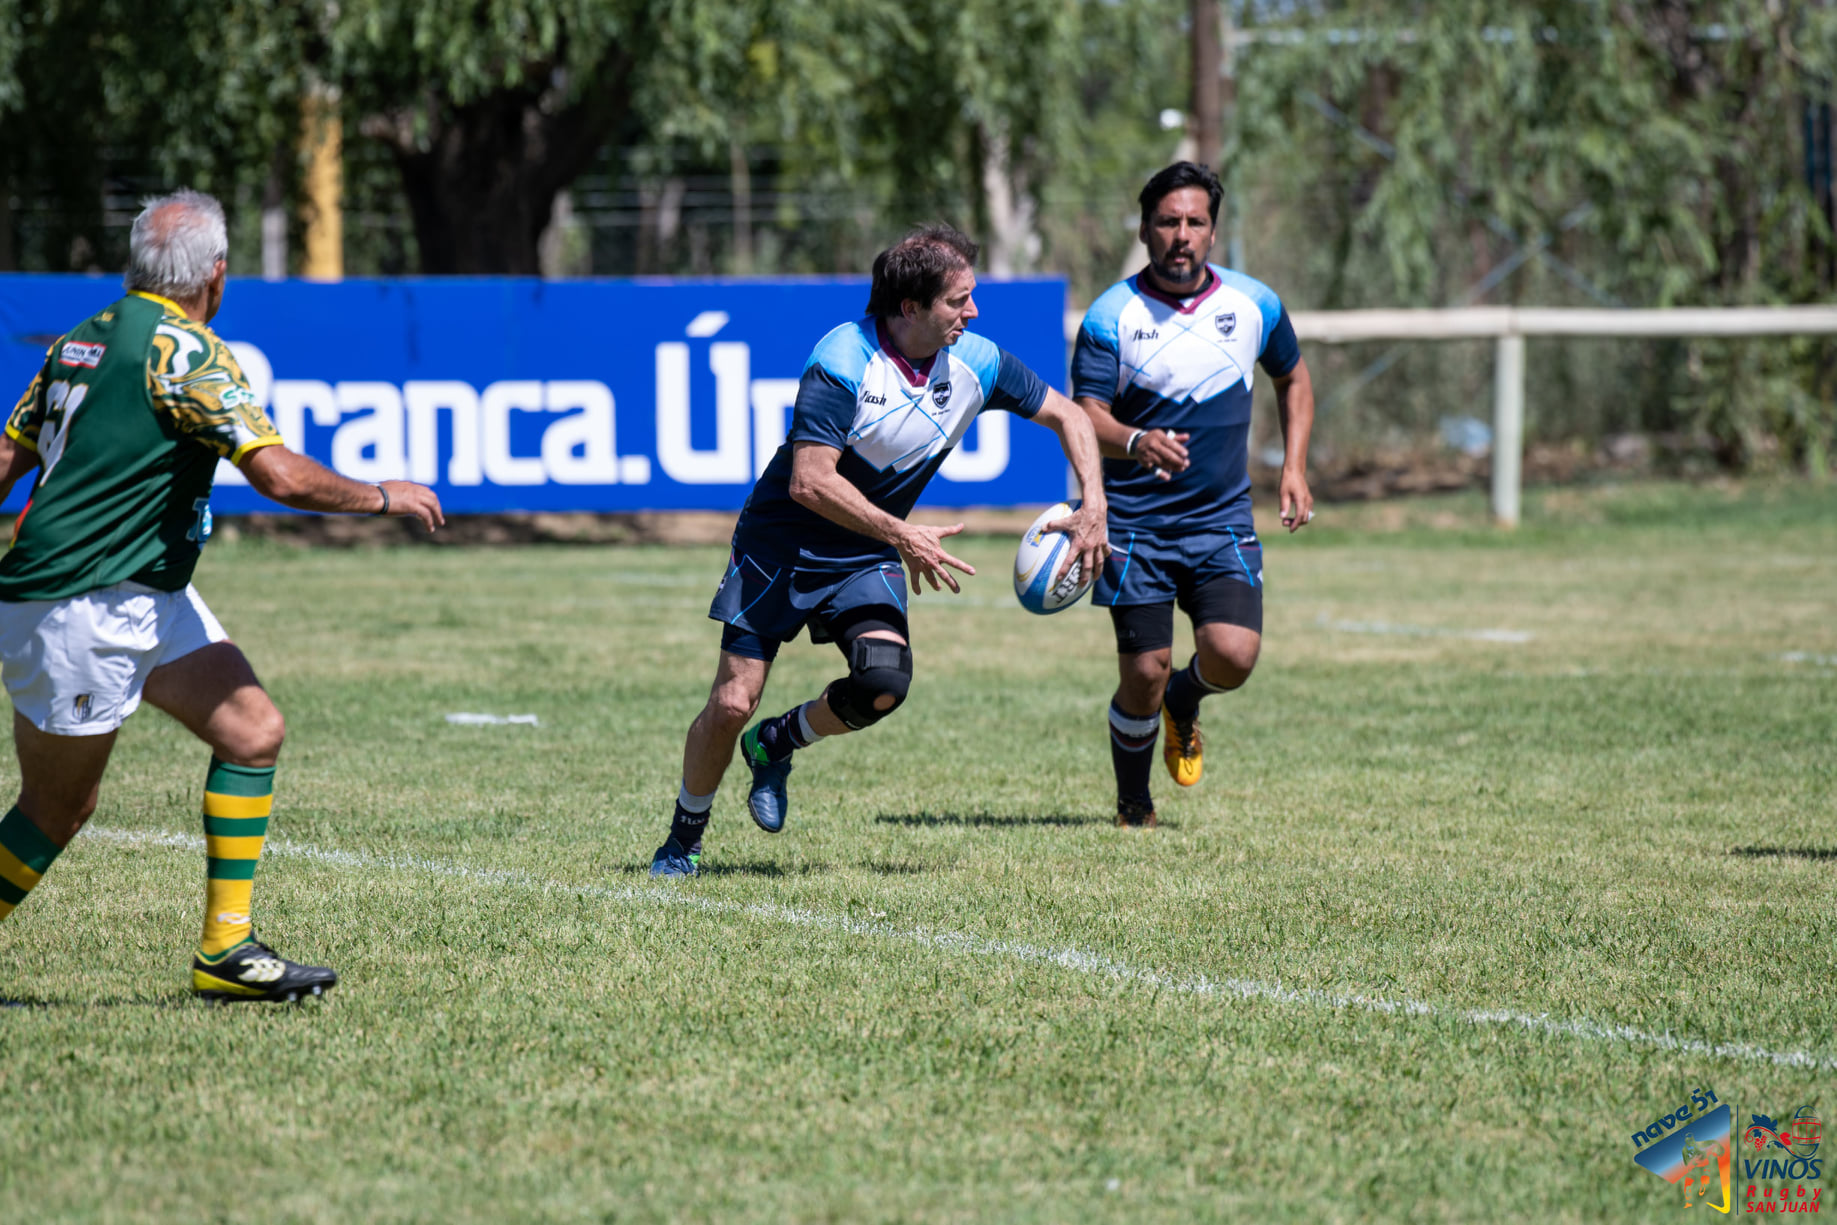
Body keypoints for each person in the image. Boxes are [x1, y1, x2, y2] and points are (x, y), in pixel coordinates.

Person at [0, 189, 444, 1001]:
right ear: (215, 275)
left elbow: (6, 456)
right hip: (83, 603)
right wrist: (381, 495)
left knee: (252, 730)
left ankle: (226, 953)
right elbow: (276, 474)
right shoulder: (187, 351)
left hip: (141, 589)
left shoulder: (79, 341)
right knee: (56, 809)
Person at [650, 224, 1109, 877]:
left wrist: (1093, 503)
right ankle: (682, 839)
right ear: (908, 308)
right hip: (781, 542)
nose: (972, 312)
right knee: (730, 702)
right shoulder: (842, 360)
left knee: (883, 683)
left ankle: (776, 742)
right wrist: (901, 532)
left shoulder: (976, 361)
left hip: (861, 552)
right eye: (957, 300)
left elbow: (1070, 415)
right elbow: (810, 481)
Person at [1071, 162, 1316, 828]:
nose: (1181, 235)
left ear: (1212, 229)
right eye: (1167, 222)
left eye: (1194, 222)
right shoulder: (1110, 315)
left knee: (1233, 657)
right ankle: (1133, 803)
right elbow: (1082, 414)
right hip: (1135, 526)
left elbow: (1292, 378)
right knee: (1142, 672)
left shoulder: (1253, 304)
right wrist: (1134, 439)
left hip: (1220, 520)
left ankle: (1188, 697)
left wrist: (1292, 465)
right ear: (1145, 228)